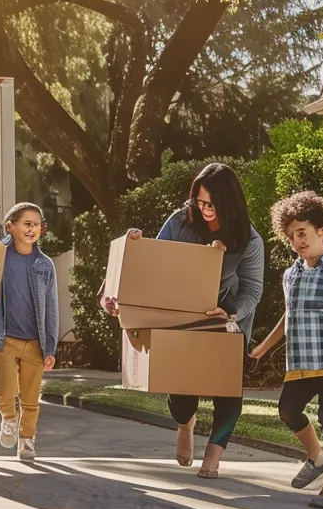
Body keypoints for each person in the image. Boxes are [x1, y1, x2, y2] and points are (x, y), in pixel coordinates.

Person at [100, 163, 264, 479]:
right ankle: (184, 423)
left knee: (228, 391)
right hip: (179, 310)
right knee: (182, 389)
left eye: (211, 204)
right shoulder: (180, 221)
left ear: (229, 203)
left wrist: (232, 315)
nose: (204, 210)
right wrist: (137, 242)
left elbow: (253, 290)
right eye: (199, 202)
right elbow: (154, 259)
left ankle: (213, 456)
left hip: (223, 314)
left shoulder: (249, 240)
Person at [250, 190, 323, 509]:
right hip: (300, 364)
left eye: (301, 233)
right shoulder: (291, 275)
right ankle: (317, 457)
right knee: (287, 410)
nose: (296, 241)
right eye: (291, 236)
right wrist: (265, 345)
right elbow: (290, 313)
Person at [0, 203, 58, 461]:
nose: (32, 229)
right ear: (9, 227)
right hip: (4, 336)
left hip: (35, 341)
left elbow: (51, 307)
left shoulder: (44, 265)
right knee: (4, 388)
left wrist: (51, 346)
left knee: (31, 395)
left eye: (36, 224)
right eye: (26, 223)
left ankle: (27, 439)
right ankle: (9, 418)